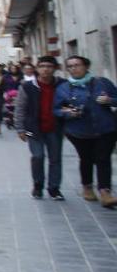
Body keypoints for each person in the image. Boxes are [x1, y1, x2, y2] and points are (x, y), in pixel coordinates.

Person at [54, 55, 117, 207]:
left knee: (103, 158)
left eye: (77, 65)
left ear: (86, 66)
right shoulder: (63, 88)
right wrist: (68, 113)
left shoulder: (102, 83)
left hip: (105, 128)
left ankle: (105, 191)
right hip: (78, 131)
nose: (74, 68)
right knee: (86, 158)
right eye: (70, 66)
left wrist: (109, 100)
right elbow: (56, 109)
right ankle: (87, 186)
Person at [15, 56, 65, 200]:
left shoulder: (62, 85)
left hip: (55, 128)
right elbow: (20, 108)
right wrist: (20, 128)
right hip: (34, 129)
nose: (45, 69)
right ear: (37, 68)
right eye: (42, 66)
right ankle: (38, 185)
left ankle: (54, 188)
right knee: (38, 157)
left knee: (55, 159)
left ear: (55, 68)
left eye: (49, 66)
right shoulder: (28, 86)